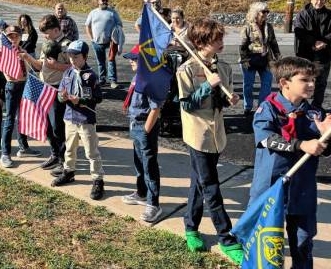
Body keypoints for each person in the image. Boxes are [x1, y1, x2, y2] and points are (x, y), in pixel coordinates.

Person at [246, 57, 331, 268]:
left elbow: (323, 150)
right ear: (285, 83)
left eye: (313, 79)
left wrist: (326, 136)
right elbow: (267, 139)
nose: (312, 84)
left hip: (302, 192)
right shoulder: (268, 109)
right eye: (305, 80)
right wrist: (301, 145)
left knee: (303, 243)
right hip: (272, 188)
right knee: (266, 244)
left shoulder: (315, 114)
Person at [176, 18, 243, 265]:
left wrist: (230, 99)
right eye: (216, 39)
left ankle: (190, 227)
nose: (221, 43)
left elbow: (223, 100)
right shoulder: (186, 70)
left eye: (221, 38)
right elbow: (186, 104)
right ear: (201, 42)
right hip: (198, 135)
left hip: (217, 135)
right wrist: (206, 85)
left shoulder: (223, 68)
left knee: (200, 182)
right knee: (212, 187)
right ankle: (226, 238)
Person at [51, 40, 105, 200]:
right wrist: (62, 96)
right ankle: (69, 171)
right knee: (70, 147)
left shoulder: (91, 76)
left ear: (85, 56)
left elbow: (97, 98)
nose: (73, 60)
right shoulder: (67, 73)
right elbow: (60, 92)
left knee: (91, 151)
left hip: (86, 119)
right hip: (69, 117)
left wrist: (80, 101)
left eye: (76, 56)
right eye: (70, 56)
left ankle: (98, 179)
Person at [21, 15, 71, 171]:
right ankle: (54, 154)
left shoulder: (67, 45)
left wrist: (57, 66)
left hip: (58, 89)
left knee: (58, 127)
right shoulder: (47, 44)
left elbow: (74, 68)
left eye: (47, 33)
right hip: (44, 88)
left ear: (57, 30)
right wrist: (27, 57)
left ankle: (64, 160)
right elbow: (40, 66)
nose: (45, 36)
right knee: (47, 125)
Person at [121, 44, 165, 223]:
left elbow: (156, 108)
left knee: (149, 165)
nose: (131, 61)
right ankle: (141, 192)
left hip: (144, 125)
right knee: (139, 161)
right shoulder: (138, 77)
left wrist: (146, 130)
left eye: (135, 59)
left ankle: (153, 204)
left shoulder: (150, 81)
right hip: (135, 123)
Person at [0, 25, 41, 168]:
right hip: (13, 87)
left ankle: (23, 147)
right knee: (10, 119)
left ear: (20, 37)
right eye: (10, 36)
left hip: (25, 85)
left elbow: (36, 67)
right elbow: (9, 74)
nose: (13, 38)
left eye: (16, 36)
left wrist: (26, 56)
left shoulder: (22, 51)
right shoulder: (5, 53)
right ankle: (5, 153)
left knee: (23, 118)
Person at [239, 2, 281, 116]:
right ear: (256, 13)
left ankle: (262, 107)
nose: (266, 14)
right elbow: (242, 45)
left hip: (266, 59)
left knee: (267, 83)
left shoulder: (269, 26)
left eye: (267, 11)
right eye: (263, 11)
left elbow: (273, 43)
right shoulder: (247, 27)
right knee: (248, 85)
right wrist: (244, 60)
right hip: (250, 59)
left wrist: (278, 57)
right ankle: (248, 106)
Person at [294, 0, 331, 109]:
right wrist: (314, 42)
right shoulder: (303, 14)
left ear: (325, 1)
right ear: (311, 0)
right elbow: (299, 31)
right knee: (303, 80)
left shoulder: (329, 14)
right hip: (305, 52)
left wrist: (324, 42)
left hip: (324, 52)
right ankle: (301, 106)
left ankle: (316, 107)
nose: (319, 1)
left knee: (321, 82)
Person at [85, 0, 123, 88]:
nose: (105, 2)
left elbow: (119, 25)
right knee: (100, 62)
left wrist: (116, 37)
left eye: (106, 1)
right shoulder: (93, 13)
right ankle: (102, 80)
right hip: (97, 42)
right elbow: (87, 26)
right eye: (103, 1)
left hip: (110, 42)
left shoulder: (112, 13)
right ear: (98, 1)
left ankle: (113, 81)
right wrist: (91, 38)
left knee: (111, 61)